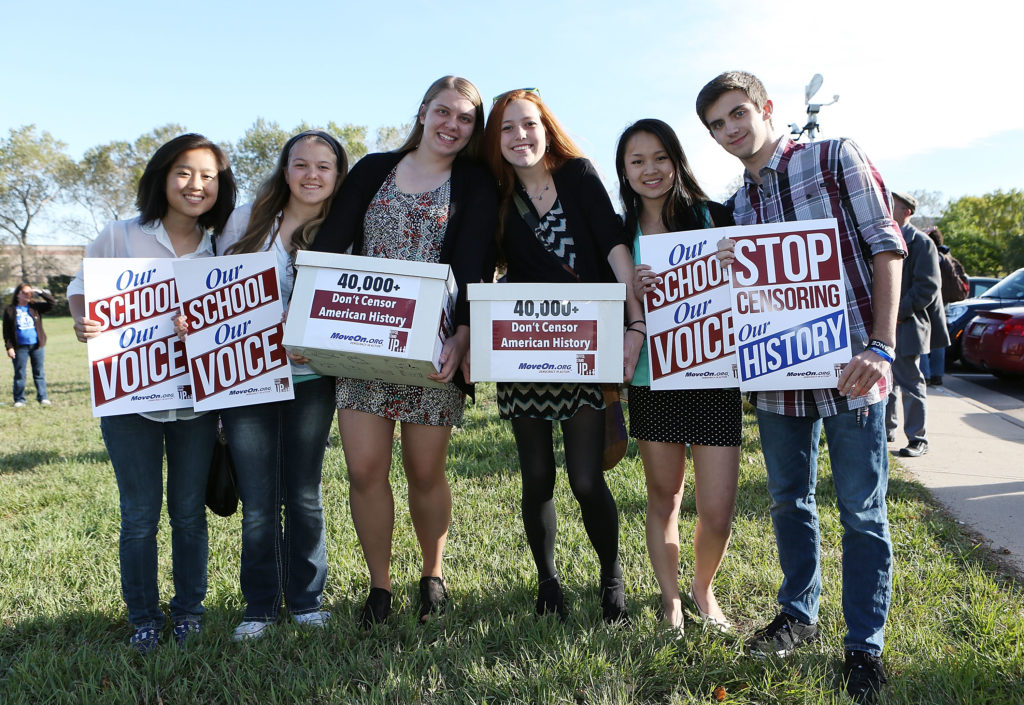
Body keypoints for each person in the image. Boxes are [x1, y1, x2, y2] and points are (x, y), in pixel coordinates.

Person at [696, 71, 903, 703]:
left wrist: (882, 345)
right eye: (716, 126)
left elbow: (886, 247)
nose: (730, 131)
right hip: (778, 379)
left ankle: (864, 647)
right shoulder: (739, 207)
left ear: (766, 108)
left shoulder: (834, 157)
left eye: (737, 115)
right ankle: (798, 613)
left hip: (851, 368)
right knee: (789, 501)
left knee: (861, 512)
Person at [311, 76, 497, 627]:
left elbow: (475, 266)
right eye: (443, 112)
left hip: (433, 349)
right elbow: (331, 245)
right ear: (422, 112)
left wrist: (463, 337)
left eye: (465, 119)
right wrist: (308, 324)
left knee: (424, 469)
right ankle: (379, 587)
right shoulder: (373, 170)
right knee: (364, 469)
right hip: (362, 342)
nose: (452, 126)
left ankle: (432, 574)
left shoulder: (475, 183)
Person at [67, 134, 237, 652]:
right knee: (138, 516)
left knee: (188, 513)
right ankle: (143, 617)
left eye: (209, 176)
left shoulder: (221, 244)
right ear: (163, 176)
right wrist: (82, 320)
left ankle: (189, 612)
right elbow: (81, 289)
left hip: (195, 400)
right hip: (128, 400)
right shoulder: (119, 234)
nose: (196, 185)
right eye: (185, 172)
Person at [483, 89, 644, 624]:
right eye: (507, 128)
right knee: (536, 477)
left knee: (585, 478)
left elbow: (614, 245)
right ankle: (548, 581)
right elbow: (480, 268)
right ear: (495, 138)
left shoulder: (578, 175)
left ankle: (611, 575)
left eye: (528, 124)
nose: (519, 136)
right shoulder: (494, 195)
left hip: (587, 345)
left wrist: (635, 323)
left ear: (546, 128)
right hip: (526, 348)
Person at [212, 131, 348, 640]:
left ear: (337, 175)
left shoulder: (344, 230)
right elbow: (213, 290)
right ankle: (260, 607)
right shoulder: (245, 221)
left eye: (324, 166)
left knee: (305, 492)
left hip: (311, 380)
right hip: (246, 379)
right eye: (301, 164)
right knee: (259, 499)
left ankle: (307, 599)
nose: (312, 174)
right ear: (285, 170)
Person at [618, 119, 741, 633]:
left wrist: (737, 264)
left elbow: (753, 294)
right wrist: (631, 288)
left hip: (714, 377)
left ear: (677, 161)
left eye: (660, 157)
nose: (650, 170)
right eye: (637, 161)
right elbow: (610, 312)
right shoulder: (621, 235)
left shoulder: (714, 216)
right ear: (623, 171)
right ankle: (671, 599)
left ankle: (702, 589)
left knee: (717, 510)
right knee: (663, 495)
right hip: (653, 380)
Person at [886, 192, 948, 457]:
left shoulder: (922, 243)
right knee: (884, 382)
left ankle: (917, 439)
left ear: (907, 212)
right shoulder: (886, 238)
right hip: (887, 323)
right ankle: (885, 431)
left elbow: (928, 287)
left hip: (907, 324)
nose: (888, 209)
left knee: (910, 383)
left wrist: (895, 313)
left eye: (893, 206)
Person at [920, 226, 965, 385]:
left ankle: (925, 375)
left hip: (927, 302)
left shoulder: (928, 253)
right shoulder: (947, 257)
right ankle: (937, 374)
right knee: (939, 341)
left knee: (922, 339)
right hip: (944, 304)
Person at [4, 283, 55, 407]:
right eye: (25, 293)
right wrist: (9, 347)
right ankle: (19, 399)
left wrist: (40, 292)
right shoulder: (10, 310)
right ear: (18, 294)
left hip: (36, 346)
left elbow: (52, 303)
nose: (28, 295)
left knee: (39, 373)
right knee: (20, 373)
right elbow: (6, 331)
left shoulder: (34, 307)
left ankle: (42, 397)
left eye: (30, 293)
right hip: (19, 347)